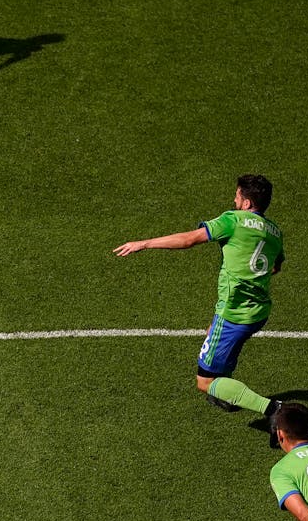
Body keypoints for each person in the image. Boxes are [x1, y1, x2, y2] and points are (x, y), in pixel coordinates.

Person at [114, 174, 284, 426]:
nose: (234, 199)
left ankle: (272, 409)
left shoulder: (232, 220)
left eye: (237, 196)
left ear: (247, 203)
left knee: (204, 382)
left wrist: (144, 243)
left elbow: (190, 239)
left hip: (234, 314)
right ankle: (224, 391)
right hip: (258, 311)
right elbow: (275, 267)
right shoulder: (275, 232)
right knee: (212, 333)